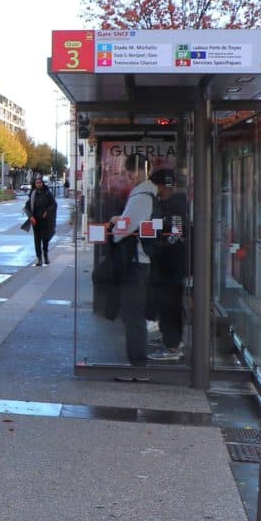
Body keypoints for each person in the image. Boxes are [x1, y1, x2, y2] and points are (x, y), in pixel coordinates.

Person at [110, 153, 156, 367]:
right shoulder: (153, 193)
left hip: (137, 262)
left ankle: (137, 363)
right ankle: (138, 360)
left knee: (133, 315)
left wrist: (115, 222)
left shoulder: (141, 196)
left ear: (140, 171)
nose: (129, 179)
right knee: (135, 313)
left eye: (130, 175)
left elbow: (122, 231)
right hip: (146, 261)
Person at [143, 169, 187, 362]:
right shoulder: (167, 203)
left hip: (171, 263)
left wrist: (159, 246)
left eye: (155, 185)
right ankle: (170, 339)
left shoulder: (175, 204)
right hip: (168, 262)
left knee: (170, 304)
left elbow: (177, 233)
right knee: (168, 303)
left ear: (162, 185)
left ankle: (172, 346)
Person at [25, 177, 57, 266]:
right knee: (37, 239)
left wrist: (47, 212)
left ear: (42, 183)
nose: (38, 184)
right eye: (36, 183)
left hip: (45, 220)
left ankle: (45, 255)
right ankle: (39, 258)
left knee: (45, 238)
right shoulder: (32, 194)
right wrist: (30, 216)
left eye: (39, 182)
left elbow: (54, 204)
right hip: (35, 220)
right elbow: (27, 207)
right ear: (35, 184)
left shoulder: (47, 193)